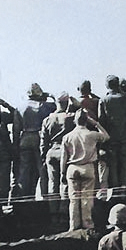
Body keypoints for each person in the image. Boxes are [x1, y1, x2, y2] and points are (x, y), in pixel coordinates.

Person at [61, 109, 109, 231]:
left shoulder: (67, 137)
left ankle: (73, 226)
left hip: (72, 168)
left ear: (74, 121)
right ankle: (87, 225)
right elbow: (106, 136)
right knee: (86, 200)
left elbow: (64, 157)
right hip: (87, 167)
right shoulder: (92, 134)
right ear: (86, 121)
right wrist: (96, 123)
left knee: (73, 200)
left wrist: (62, 172)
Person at [40, 92, 76, 226]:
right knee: (65, 182)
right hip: (65, 151)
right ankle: (63, 213)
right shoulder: (71, 117)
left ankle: (53, 214)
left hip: (51, 152)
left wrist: (43, 155)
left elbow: (43, 141)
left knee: (52, 184)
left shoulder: (48, 119)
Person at [14, 83, 55, 197]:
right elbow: (60, 107)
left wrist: (15, 145)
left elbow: (16, 130)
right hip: (39, 138)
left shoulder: (20, 107)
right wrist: (51, 96)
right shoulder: (46, 106)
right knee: (42, 170)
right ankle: (44, 197)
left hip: (25, 139)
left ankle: (23, 198)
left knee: (24, 171)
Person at [99, 75, 126, 191]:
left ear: (107, 85)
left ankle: (116, 191)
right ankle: (125, 190)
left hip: (111, 138)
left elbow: (101, 120)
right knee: (125, 164)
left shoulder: (104, 100)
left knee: (113, 165)